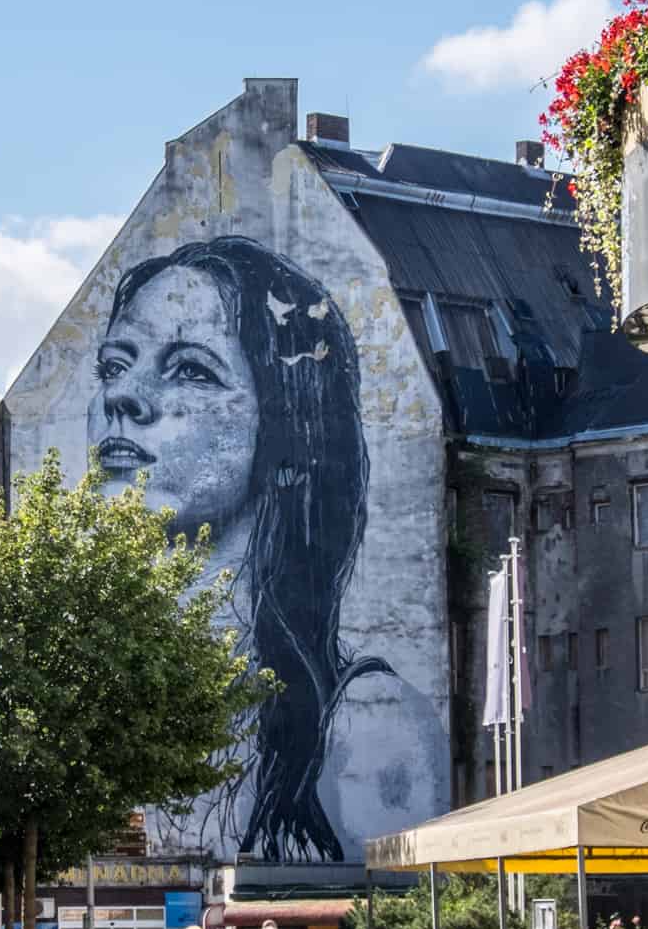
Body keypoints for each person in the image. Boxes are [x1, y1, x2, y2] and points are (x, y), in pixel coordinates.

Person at [87, 236, 441, 863]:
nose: (123, 396)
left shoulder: (365, 724)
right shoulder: (89, 688)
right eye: (114, 365)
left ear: (288, 430)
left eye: (191, 369)